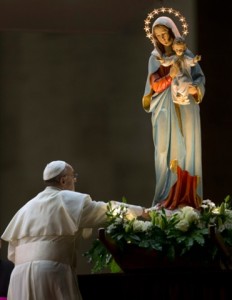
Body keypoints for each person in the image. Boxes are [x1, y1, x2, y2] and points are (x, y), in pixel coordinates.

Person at [1, 160, 149, 300]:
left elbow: (12, 253)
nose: (75, 181)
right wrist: (141, 211)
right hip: (50, 271)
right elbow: (107, 210)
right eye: (74, 176)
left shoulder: (26, 208)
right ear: (64, 180)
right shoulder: (68, 200)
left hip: (18, 277)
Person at [142, 16, 205, 210]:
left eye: (165, 33)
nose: (163, 38)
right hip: (164, 110)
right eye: (158, 36)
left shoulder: (187, 55)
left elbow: (199, 78)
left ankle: (188, 197)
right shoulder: (156, 58)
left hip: (186, 107)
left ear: (172, 31)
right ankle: (166, 196)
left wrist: (195, 89)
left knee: (188, 150)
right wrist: (170, 76)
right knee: (165, 152)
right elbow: (154, 86)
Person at [156, 36, 201, 105]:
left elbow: (191, 62)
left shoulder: (185, 58)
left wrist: (195, 60)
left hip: (184, 76)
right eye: (177, 50)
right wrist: (162, 60)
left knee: (184, 81)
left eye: (180, 50)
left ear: (184, 48)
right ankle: (177, 97)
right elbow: (167, 62)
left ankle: (181, 95)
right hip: (176, 77)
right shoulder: (173, 58)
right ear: (173, 48)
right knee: (174, 85)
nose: (179, 51)